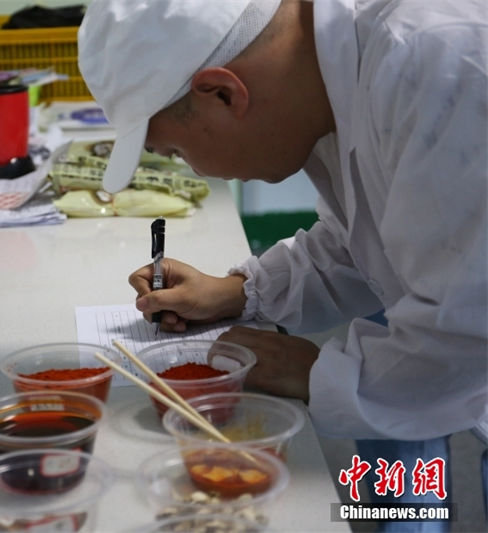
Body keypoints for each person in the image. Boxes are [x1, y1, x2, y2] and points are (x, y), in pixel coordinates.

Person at [78, 0, 487, 531]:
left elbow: (469, 327)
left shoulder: (442, 65)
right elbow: (376, 238)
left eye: (176, 152)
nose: (195, 169)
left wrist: (315, 373)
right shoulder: (339, 69)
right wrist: (237, 292)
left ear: (224, 92)